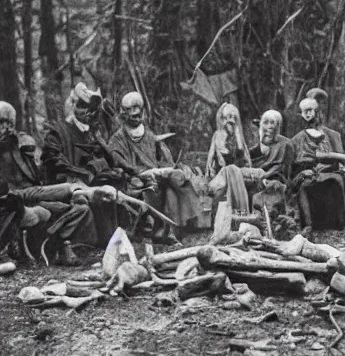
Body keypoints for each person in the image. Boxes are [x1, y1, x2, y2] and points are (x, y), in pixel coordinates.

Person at [0, 101, 88, 265]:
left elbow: (37, 177)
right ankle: (37, 249)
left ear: (9, 124)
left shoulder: (20, 144)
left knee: (81, 207)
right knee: (64, 194)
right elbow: (15, 192)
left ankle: (58, 246)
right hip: (12, 203)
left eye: (2, 123)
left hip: (32, 198)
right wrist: (66, 189)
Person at [41, 83, 127, 247]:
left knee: (112, 184)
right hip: (64, 186)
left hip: (87, 183)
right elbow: (54, 162)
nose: (87, 113)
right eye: (82, 107)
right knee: (85, 200)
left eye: (90, 109)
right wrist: (82, 173)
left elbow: (109, 160)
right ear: (72, 105)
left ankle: (110, 239)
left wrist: (97, 140)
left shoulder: (89, 133)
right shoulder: (57, 132)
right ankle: (81, 244)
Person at [107, 92, 204, 234]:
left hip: (155, 172)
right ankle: (157, 228)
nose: (137, 118)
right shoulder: (118, 138)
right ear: (124, 115)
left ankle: (187, 223)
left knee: (177, 178)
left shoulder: (148, 134)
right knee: (151, 186)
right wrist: (140, 172)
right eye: (133, 115)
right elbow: (118, 161)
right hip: (133, 178)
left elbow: (160, 159)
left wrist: (165, 168)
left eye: (139, 114)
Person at [290, 97, 345, 234]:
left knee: (339, 180)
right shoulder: (297, 139)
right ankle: (308, 224)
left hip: (330, 170)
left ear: (317, 111)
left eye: (310, 110)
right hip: (308, 173)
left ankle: (343, 222)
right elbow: (295, 164)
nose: (308, 114)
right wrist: (303, 172)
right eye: (305, 112)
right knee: (304, 185)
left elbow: (340, 158)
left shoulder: (331, 135)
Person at [206, 103, 251, 177]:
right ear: (223, 118)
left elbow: (242, 152)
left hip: (237, 171)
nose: (231, 121)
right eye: (229, 117)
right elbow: (211, 154)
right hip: (222, 171)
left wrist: (237, 134)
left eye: (234, 118)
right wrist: (209, 169)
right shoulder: (217, 134)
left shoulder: (237, 135)